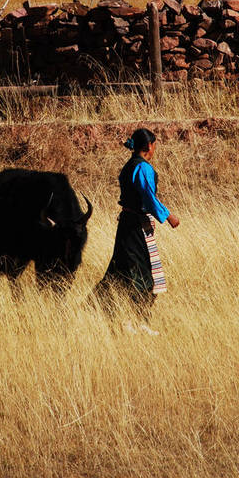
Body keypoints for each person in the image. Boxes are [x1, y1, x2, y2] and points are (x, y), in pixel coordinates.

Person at [94, 128, 180, 333]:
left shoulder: (129, 166)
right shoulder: (143, 168)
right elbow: (148, 197)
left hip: (127, 224)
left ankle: (116, 319)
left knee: (120, 270)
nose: (155, 150)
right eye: (154, 146)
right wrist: (168, 216)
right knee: (144, 276)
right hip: (136, 227)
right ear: (149, 146)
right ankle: (140, 323)